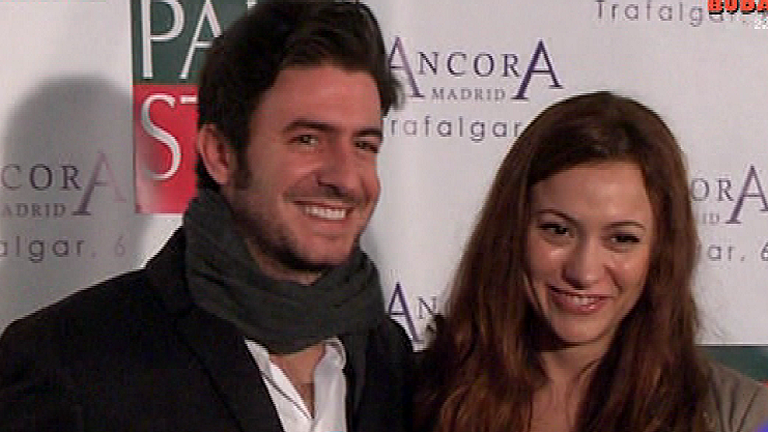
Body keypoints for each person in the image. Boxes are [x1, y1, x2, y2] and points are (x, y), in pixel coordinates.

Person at [0, 1, 413, 431]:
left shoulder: (391, 360)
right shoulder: (69, 360)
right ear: (220, 154)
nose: (345, 178)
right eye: (307, 139)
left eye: (364, 145)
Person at [414, 92, 768, 432]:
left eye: (621, 239)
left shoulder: (742, 415)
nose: (583, 272)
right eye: (557, 230)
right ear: (511, 231)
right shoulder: (421, 395)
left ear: (661, 250)